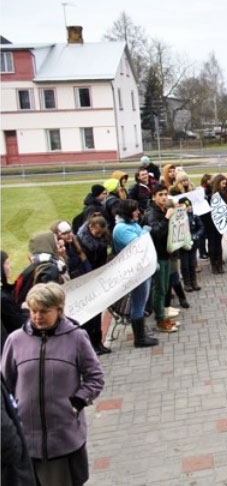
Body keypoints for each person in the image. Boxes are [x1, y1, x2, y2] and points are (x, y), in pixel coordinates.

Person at [2, 282, 105, 486]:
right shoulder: (15, 340)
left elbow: (96, 377)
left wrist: (76, 402)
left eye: (44, 311)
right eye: (33, 311)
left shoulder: (77, 338)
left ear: (59, 310)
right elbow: (5, 384)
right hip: (27, 442)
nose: (37, 316)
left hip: (63, 439)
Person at [112, 199, 159, 347]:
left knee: (142, 302)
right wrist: (145, 231)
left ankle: (142, 333)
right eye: (135, 210)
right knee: (138, 304)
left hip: (144, 269)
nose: (138, 212)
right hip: (136, 272)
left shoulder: (131, 224)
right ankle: (139, 338)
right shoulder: (121, 229)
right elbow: (139, 245)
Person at [142, 185, 181, 333]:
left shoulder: (162, 209)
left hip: (165, 253)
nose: (164, 197)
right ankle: (160, 320)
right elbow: (157, 232)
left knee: (164, 287)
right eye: (160, 195)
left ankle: (163, 316)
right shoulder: (153, 213)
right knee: (160, 289)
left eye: (165, 194)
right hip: (157, 256)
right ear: (154, 197)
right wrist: (166, 218)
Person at [76, 216, 112, 355]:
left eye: (102, 233)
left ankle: (98, 342)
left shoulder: (102, 238)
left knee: (98, 313)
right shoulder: (80, 241)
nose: (100, 235)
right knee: (90, 315)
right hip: (88, 280)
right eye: (98, 233)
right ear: (90, 228)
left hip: (98, 278)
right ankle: (92, 344)